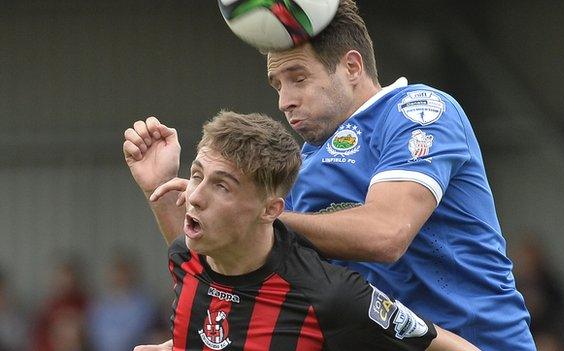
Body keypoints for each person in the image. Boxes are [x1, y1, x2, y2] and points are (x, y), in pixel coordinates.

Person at [124, 1, 536, 349]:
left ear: (352, 67)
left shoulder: (418, 111)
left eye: (298, 78)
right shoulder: (304, 166)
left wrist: (256, 217)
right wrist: (160, 189)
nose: (284, 101)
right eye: (277, 85)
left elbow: (386, 234)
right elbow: (222, 256)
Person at [126, 111, 479, 351]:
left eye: (223, 186)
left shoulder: (329, 295)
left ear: (271, 210)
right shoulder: (186, 259)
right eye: (198, 174)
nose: (195, 195)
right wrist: (156, 185)